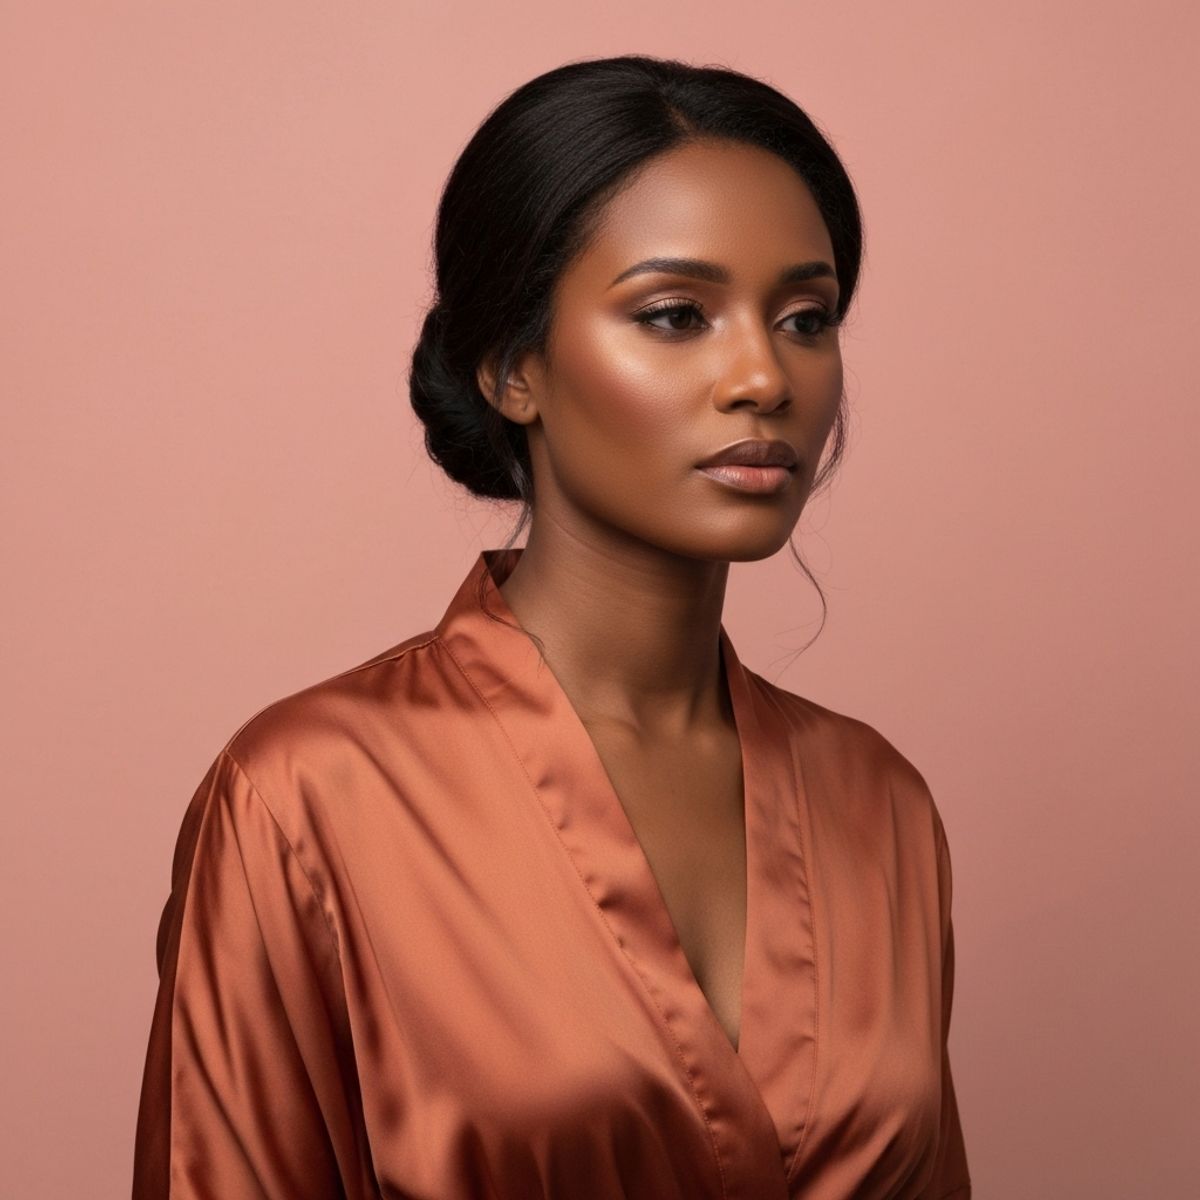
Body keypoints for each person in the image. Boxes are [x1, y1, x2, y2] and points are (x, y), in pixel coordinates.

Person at [132, 54, 971, 1200]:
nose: (763, 376)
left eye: (806, 318)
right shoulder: (306, 797)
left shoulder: (881, 806)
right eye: (676, 315)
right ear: (511, 368)